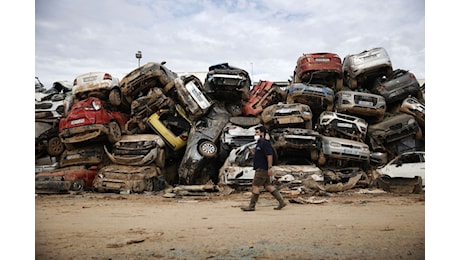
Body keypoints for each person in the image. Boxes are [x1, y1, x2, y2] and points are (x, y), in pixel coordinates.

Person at [241, 125, 287, 211]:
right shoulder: (259, 143)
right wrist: (253, 153)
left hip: (262, 168)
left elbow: (269, 155)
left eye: (257, 132)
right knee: (267, 185)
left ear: (262, 133)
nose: (255, 134)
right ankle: (281, 201)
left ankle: (251, 206)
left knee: (255, 185)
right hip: (260, 167)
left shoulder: (265, 143)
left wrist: (270, 167)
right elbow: (261, 154)